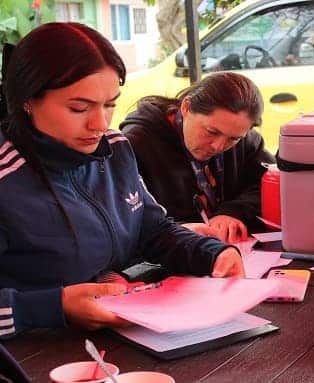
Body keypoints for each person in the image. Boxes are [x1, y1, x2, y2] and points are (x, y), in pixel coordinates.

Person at [0, 22, 244, 340]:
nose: (100, 123)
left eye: (110, 104)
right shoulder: (7, 180)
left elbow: (152, 229)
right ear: (27, 100)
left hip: (126, 337)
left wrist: (212, 253)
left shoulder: (115, 148)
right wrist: (53, 306)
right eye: (79, 108)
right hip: (35, 353)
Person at [120, 72, 274, 244]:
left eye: (233, 138)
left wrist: (233, 212)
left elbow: (273, 183)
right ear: (186, 107)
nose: (218, 146)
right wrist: (176, 232)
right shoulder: (136, 146)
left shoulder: (247, 141)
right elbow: (128, 222)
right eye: (211, 132)